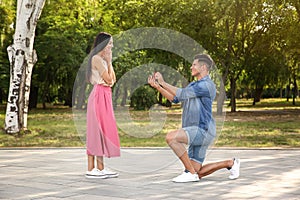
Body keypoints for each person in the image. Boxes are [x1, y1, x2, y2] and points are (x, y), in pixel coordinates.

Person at [148, 54, 240, 183]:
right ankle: (230, 163)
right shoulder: (194, 85)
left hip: (202, 130)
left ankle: (190, 173)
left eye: (194, 65)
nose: (191, 67)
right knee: (198, 171)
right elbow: (175, 98)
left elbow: (182, 93)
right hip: (196, 130)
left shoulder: (206, 85)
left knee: (171, 137)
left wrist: (163, 82)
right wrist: (158, 87)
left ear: (203, 67)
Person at [85, 32, 120, 179]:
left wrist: (109, 62)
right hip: (99, 94)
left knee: (103, 131)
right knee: (95, 130)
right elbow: (108, 79)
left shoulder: (104, 60)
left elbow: (113, 80)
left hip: (105, 94)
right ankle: (91, 168)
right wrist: (109, 62)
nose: (112, 46)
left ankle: (100, 168)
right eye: (110, 43)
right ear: (103, 44)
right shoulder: (97, 59)